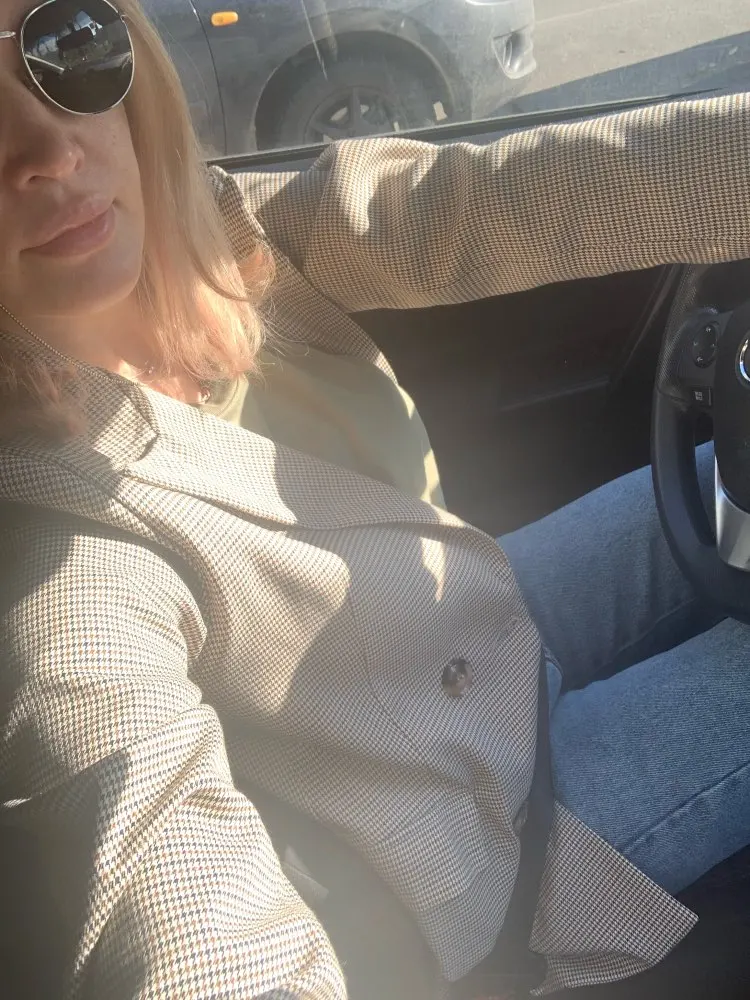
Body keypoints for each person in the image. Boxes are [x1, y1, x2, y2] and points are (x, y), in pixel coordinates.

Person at [1, 1, 750, 998]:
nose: (46, 150)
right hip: (500, 848)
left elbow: (521, 192)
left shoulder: (229, 239)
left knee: (715, 478)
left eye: (63, 42)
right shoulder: (56, 567)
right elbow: (182, 913)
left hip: (480, 631)